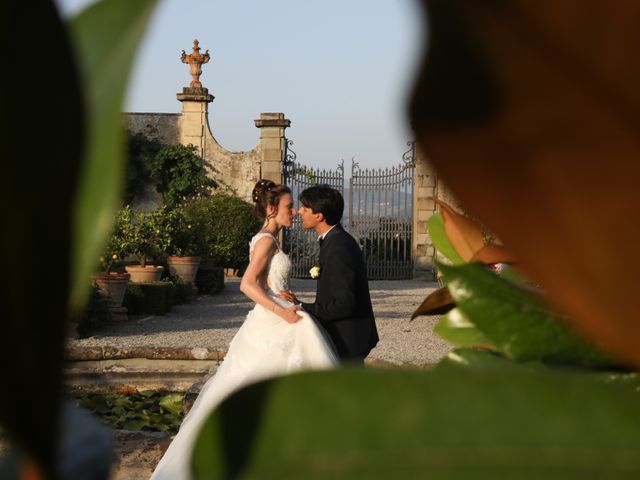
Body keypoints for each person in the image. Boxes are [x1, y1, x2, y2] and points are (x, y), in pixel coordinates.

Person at [150, 180, 338, 480]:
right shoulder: (267, 241)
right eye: (289, 207)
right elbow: (247, 284)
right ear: (272, 209)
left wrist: (282, 295)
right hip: (273, 322)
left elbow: (264, 283)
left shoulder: (267, 238)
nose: (294, 212)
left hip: (274, 314)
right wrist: (281, 311)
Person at [278, 185, 378, 365]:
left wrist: (303, 306)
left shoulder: (339, 247)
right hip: (345, 337)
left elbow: (344, 304)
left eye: (305, 208)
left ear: (319, 215)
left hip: (348, 339)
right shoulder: (334, 240)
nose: (299, 211)